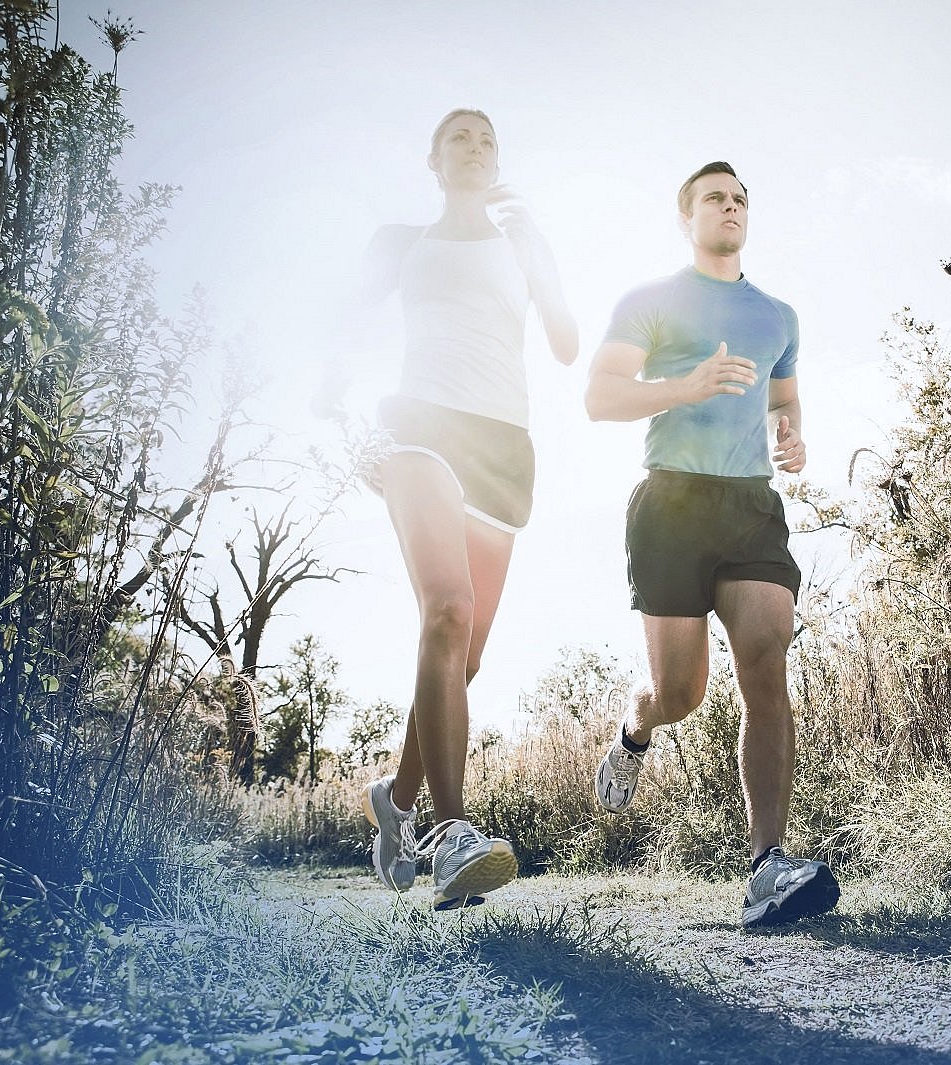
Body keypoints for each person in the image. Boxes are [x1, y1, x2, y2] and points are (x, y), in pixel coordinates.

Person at [315, 109, 578, 909]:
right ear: (434, 160)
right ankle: (453, 832)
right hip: (419, 430)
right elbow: (341, 329)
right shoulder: (400, 242)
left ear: (497, 162)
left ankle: (395, 800)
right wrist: (343, 419)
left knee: (463, 657)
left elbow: (565, 343)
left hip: (503, 450)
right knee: (447, 611)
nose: (474, 147)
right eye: (459, 137)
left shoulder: (522, 240)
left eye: (487, 139)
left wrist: (540, 254)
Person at [583, 161, 840, 928]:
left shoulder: (778, 315)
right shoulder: (651, 302)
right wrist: (684, 387)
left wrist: (791, 438)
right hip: (670, 502)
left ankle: (767, 864)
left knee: (766, 658)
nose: (730, 208)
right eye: (714, 199)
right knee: (682, 695)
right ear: (686, 216)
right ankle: (636, 727)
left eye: (739, 200)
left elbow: (784, 398)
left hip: (750, 506)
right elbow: (599, 397)